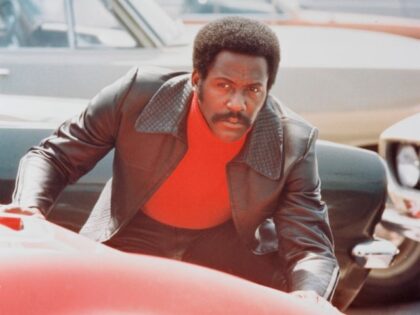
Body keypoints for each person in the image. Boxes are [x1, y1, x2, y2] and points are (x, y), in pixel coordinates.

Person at [1, 17, 340, 311]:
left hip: (226, 249)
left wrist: (309, 297)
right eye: (224, 86)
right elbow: (54, 156)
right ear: (196, 79)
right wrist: (28, 209)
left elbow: (311, 248)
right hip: (131, 235)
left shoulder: (293, 141)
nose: (238, 104)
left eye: (254, 90)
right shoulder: (137, 95)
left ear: (268, 90)